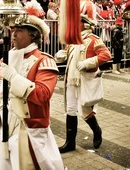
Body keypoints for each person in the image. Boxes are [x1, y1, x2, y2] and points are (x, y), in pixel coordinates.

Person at [0, 4, 64, 169]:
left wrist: (14, 77)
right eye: (13, 30)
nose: (13, 34)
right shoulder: (5, 59)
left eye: (20, 31)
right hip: (2, 128)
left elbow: (42, 95)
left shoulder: (44, 61)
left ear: (33, 35)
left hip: (29, 131)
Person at [55, 15, 111, 154]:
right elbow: (68, 58)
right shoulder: (73, 41)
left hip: (84, 80)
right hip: (71, 80)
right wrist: (61, 55)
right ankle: (70, 143)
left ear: (85, 24)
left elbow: (105, 55)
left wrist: (87, 63)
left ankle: (97, 130)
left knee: (85, 111)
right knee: (70, 109)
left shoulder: (93, 39)